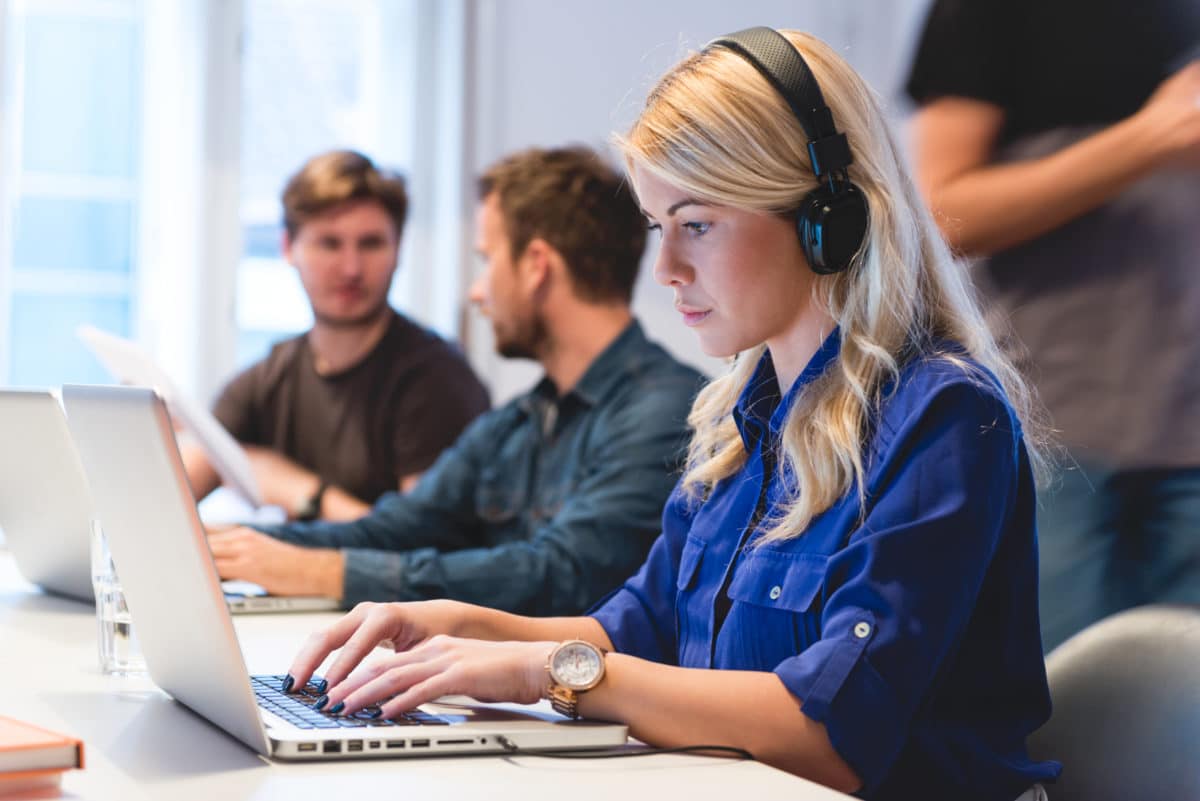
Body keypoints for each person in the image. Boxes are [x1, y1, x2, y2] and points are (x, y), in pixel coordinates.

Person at [279, 28, 1060, 801]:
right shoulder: (740, 425)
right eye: (659, 227)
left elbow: (832, 733)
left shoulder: (945, 418)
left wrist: (542, 670)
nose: (666, 270)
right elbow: (634, 629)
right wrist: (461, 625)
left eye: (696, 223)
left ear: (829, 220)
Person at [208, 145, 704, 612]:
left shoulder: (664, 412)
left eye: (487, 261)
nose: (476, 292)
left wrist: (326, 573)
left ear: (535, 268)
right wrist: (226, 546)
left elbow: (560, 576)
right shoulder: (520, 422)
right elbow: (394, 529)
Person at [905, 0, 1200, 649]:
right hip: (1057, 441)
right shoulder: (987, 14)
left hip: (1186, 435)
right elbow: (944, 215)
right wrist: (1148, 139)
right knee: (1065, 720)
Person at [183, 150, 490, 521]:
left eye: (371, 244)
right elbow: (177, 482)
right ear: (288, 248)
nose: (351, 268)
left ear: (398, 251)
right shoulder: (269, 378)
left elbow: (422, 551)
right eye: (329, 243)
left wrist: (306, 493)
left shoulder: (438, 380)